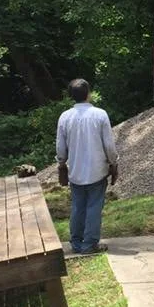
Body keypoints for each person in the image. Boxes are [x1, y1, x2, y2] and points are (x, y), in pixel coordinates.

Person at [56, 78, 118, 255]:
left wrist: (62, 164)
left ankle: (76, 242)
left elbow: (61, 147)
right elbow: (109, 145)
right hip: (97, 170)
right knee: (94, 207)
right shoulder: (100, 114)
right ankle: (89, 244)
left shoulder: (65, 117)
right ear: (88, 94)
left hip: (75, 171)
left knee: (77, 207)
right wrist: (113, 163)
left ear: (71, 97)